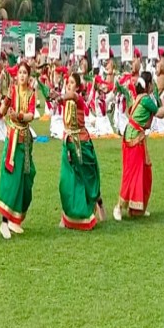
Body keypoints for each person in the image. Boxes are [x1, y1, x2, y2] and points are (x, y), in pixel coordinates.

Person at [113, 72, 164, 220]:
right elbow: (159, 113)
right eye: (152, 82)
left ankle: (137, 208)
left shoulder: (140, 97)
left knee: (145, 173)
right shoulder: (145, 99)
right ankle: (119, 207)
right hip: (135, 139)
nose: (153, 85)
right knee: (132, 174)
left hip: (135, 137)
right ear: (148, 85)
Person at [58, 72, 103, 229]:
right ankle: (67, 215)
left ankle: (96, 204)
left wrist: (60, 97)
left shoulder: (77, 99)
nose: (69, 85)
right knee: (66, 182)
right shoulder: (66, 101)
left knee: (88, 179)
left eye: (72, 82)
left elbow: (71, 95)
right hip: (68, 144)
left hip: (81, 144)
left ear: (77, 87)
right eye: (67, 82)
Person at [0, 62, 37, 239]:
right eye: (20, 72)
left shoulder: (31, 94)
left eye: (25, 73)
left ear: (28, 76)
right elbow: (2, 111)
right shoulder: (12, 91)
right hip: (13, 140)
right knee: (11, 179)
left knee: (26, 179)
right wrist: (5, 102)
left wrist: (19, 115)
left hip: (25, 142)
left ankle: (15, 219)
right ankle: (4, 222)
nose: (22, 75)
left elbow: (31, 115)